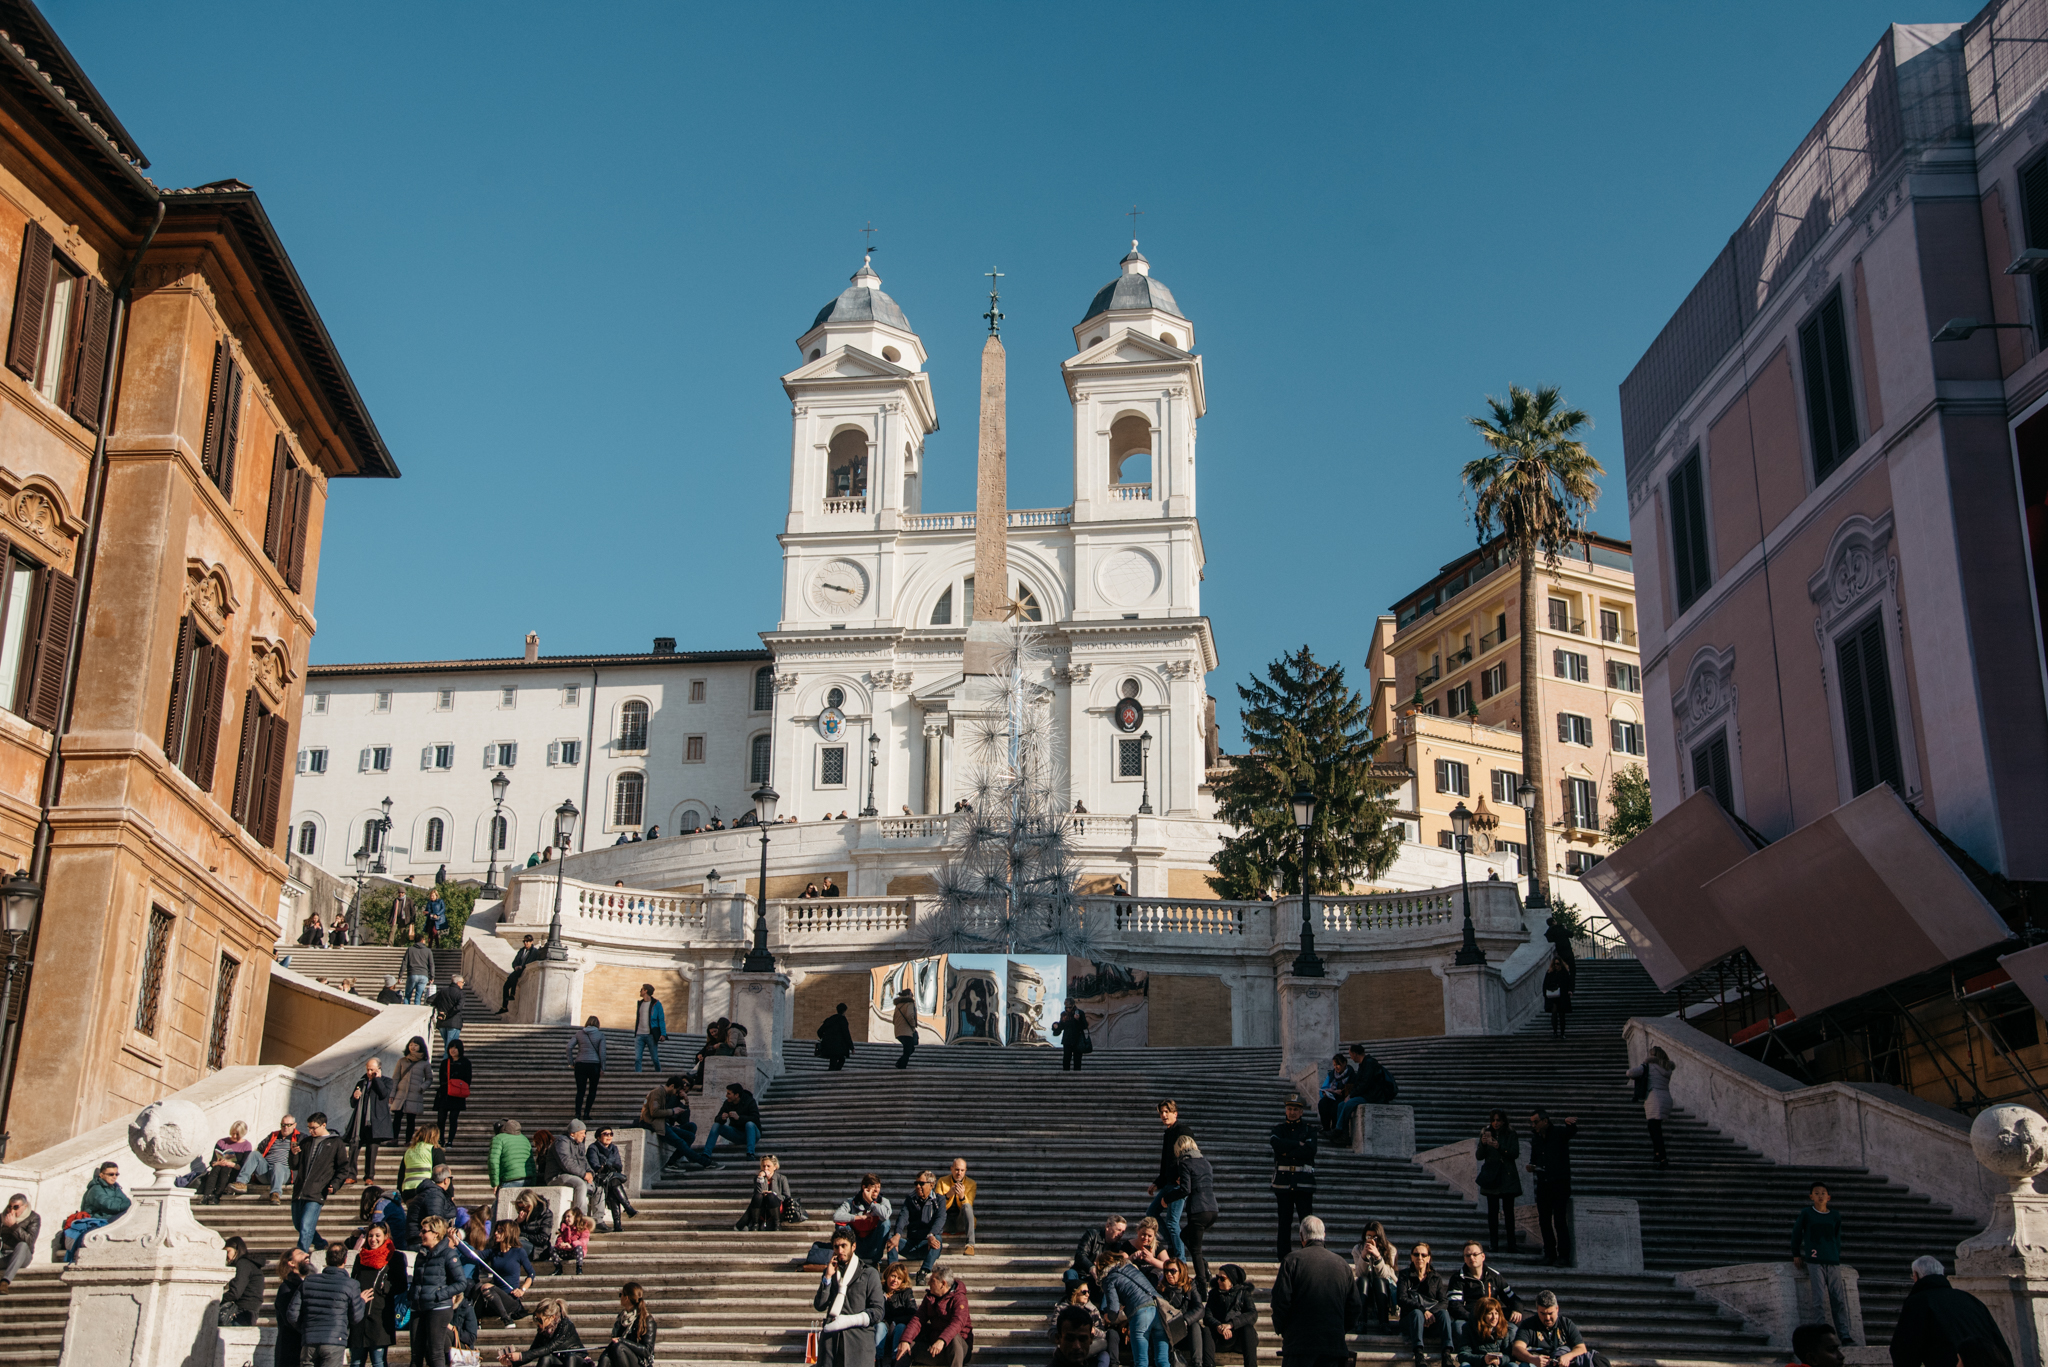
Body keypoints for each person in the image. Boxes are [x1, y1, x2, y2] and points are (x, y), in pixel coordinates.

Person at [1271, 1216, 1363, 1367]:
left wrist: (1284, 1329)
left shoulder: (1292, 1260)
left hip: (1299, 1346)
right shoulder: (1342, 1264)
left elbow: (1280, 1301)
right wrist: (1339, 1329)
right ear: (1324, 1235)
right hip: (1333, 1346)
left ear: (1301, 1236)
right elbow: (1354, 1306)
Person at [1891, 1255, 2015, 1367]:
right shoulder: (1969, 1299)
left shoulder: (1918, 1302)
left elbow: (1905, 1349)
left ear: (1916, 1275)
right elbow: (1997, 1340)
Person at [1791, 1182, 1855, 1345]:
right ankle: (1820, 1334)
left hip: (1832, 1260)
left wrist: (1835, 1255)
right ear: (1811, 1196)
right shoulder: (1806, 1213)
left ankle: (1844, 1334)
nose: (1820, 1195)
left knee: (1838, 1299)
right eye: (1817, 1193)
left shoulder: (1835, 1216)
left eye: (1823, 1193)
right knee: (1818, 1298)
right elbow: (1797, 1232)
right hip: (1814, 1260)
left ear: (1829, 1197)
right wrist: (1796, 1253)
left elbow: (1837, 1237)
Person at [286, 1243, 368, 1366]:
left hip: (309, 1341)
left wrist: (306, 1329)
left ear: (326, 1259)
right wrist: (361, 1301)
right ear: (345, 1259)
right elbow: (356, 1318)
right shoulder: (351, 1284)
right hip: (334, 1341)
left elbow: (292, 1314)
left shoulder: (309, 1281)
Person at [814, 1229, 886, 1367]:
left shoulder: (869, 1273)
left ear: (853, 1246)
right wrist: (827, 1278)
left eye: (843, 1246)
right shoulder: (830, 1272)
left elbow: (878, 1311)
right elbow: (820, 1305)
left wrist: (849, 1320)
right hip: (831, 1344)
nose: (840, 1250)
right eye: (836, 1246)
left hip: (858, 1343)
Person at [349, 1220, 410, 1367]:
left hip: (380, 1317)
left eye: (377, 1235)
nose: (373, 1239)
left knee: (379, 1362)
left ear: (386, 1236)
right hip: (359, 1316)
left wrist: (385, 1287)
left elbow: (401, 1284)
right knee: (356, 1362)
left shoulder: (395, 1257)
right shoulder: (361, 1257)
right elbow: (353, 1280)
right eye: (370, 1235)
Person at [1269, 1095, 1318, 1261]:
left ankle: (1310, 1254)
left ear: (1301, 1111)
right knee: (1284, 1222)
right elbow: (1276, 1145)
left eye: (1295, 1109)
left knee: (1308, 1222)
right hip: (1283, 1183)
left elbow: (1310, 1150)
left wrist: (1287, 1148)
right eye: (1289, 1109)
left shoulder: (1309, 1129)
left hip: (1304, 1182)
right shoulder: (1278, 1129)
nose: (1292, 1112)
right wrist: (1298, 1144)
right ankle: (1283, 1257)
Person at [1524, 1112, 1577, 1267]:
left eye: (1535, 1122)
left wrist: (1570, 1124)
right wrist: (1532, 1166)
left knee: (1559, 1220)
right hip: (1543, 1183)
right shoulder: (1536, 1138)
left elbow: (1571, 1132)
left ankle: (1563, 1256)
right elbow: (1534, 1157)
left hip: (1560, 1183)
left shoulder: (1558, 1132)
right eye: (1532, 1122)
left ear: (1545, 1121)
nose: (1533, 1125)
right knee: (1544, 1220)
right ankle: (1550, 1254)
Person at [1101, 1248, 1169, 1367]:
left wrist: (1109, 1318)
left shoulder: (1108, 1278)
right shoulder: (1131, 1268)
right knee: (1163, 1360)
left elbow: (1114, 1308)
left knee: (1141, 1361)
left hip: (1141, 1313)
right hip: (1159, 1308)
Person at [409, 1215, 462, 1366]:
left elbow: (461, 1283)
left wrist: (439, 1294)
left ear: (436, 1234)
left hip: (439, 1307)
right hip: (419, 1306)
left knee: (435, 1352)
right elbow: (417, 1280)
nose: (420, 1234)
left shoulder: (448, 1254)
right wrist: (413, 1295)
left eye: (424, 1231)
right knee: (416, 1353)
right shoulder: (422, 1254)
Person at [895, 1263, 971, 1366]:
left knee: (954, 1339)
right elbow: (918, 1319)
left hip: (958, 1350)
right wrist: (905, 1340)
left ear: (943, 1284)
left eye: (932, 1280)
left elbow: (957, 1322)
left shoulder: (959, 1298)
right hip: (935, 1349)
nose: (928, 1283)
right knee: (906, 1348)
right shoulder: (929, 1298)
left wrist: (942, 1340)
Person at [1447, 1242, 1521, 1346]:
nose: (1471, 1258)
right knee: (1458, 1327)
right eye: (1467, 1255)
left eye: (1475, 1254)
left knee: (1513, 1329)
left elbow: (1512, 1297)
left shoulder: (1494, 1276)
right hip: (1470, 1318)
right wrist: (1476, 1318)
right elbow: (1454, 1306)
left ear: (1483, 1256)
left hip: (1492, 1317)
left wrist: (1517, 1309)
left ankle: (1505, 1357)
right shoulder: (1458, 1278)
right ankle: (1471, 1354)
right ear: (1464, 1258)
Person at [294, 1113, 348, 1252]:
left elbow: (343, 1168)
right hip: (300, 1190)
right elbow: (294, 1166)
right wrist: (293, 1154)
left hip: (317, 1191)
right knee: (299, 1225)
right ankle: (320, 1243)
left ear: (324, 1125)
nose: (311, 1131)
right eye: (309, 1128)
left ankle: (301, 1256)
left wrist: (335, 1184)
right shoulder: (306, 1142)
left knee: (306, 1227)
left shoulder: (335, 1143)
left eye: (314, 1128)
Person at [1148, 1100, 1194, 1261]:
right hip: (1168, 1183)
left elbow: (1190, 1152)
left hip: (1179, 1184)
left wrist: (1186, 1172)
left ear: (1175, 1113)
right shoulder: (1168, 1133)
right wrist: (1158, 1182)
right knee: (1152, 1213)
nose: (1164, 1115)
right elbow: (1166, 1162)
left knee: (1172, 1222)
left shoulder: (1183, 1130)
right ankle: (1174, 1246)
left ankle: (1180, 1258)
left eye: (1167, 1111)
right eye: (1161, 1112)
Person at [1171, 1136, 1218, 1289]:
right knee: (1185, 1235)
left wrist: (1167, 1199)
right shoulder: (1206, 1163)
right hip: (1212, 1209)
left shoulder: (1184, 1163)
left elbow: (1186, 1189)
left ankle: (1202, 1284)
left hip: (1198, 1210)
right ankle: (1203, 1267)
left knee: (1196, 1250)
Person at [640, 1075, 713, 1171]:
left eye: (687, 1085)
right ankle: (705, 1162)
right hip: (657, 1125)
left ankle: (673, 1161)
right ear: (673, 1086)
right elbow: (655, 1112)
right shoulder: (660, 1093)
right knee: (681, 1142)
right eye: (682, 1085)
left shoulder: (668, 1095)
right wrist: (673, 1110)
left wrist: (686, 1102)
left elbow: (685, 1121)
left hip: (665, 1125)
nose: (683, 1087)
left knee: (690, 1135)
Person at [1398, 1242, 1455, 1367]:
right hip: (1411, 1321)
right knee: (1417, 1313)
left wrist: (1431, 1314)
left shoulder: (1436, 1277)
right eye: (1416, 1254)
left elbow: (1444, 1301)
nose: (1420, 1258)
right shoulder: (1404, 1275)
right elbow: (1401, 1299)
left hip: (1432, 1322)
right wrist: (1423, 1311)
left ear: (1429, 1258)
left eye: (1423, 1255)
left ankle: (1446, 1353)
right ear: (1411, 1257)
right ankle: (1419, 1354)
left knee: (1444, 1314)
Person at [1508, 1290, 1597, 1367]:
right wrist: (1532, 1359)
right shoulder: (1528, 1325)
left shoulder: (1566, 1323)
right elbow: (1517, 1348)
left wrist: (1568, 1356)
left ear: (1557, 1309)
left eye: (1550, 1313)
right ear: (1537, 1310)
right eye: (1542, 1313)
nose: (1547, 1318)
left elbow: (1581, 1348)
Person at [1476, 1112, 1522, 1254]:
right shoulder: (1486, 1133)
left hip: (1507, 1176)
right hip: (1492, 1176)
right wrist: (1483, 1144)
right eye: (1493, 1120)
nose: (1496, 1123)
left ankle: (1511, 1244)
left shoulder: (1510, 1134)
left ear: (1504, 1121)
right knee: (1492, 1213)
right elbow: (1479, 1156)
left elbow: (1514, 1153)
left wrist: (1499, 1147)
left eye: (1499, 1120)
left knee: (1509, 1213)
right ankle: (1493, 1243)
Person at [347, 1056, 396, 1184]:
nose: (369, 1073)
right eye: (368, 1069)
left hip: (375, 1122)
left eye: (372, 1070)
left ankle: (369, 1176)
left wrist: (377, 1079)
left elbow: (383, 1095)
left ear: (379, 1069)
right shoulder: (361, 1082)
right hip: (360, 1121)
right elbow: (352, 1104)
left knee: (372, 1150)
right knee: (354, 1148)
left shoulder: (387, 1081)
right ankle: (351, 1175)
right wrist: (355, 1097)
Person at [498, 1294, 585, 1365]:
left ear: (552, 1317)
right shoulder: (543, 1330)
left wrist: (521, 1355)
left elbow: (550, 1348)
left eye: (540, 1320)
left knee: (570, 1356)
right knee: (545, 1358)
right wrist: (512, 1362)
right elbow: (533, 1351)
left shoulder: (565, 1324)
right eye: (536, 1319)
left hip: (576, 1360)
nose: (538, 1323)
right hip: (559, 1361)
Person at [1627, 1047, 1676, 1168]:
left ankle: (1662, 1157)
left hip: (1654, 1098)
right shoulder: (1666, 1068)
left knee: (1655, 1129)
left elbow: (1630, 1073)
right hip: (1665, 1098)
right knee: (1654, 1127)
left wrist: (1643, 1065)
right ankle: (1657, 1154)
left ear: (1652, 1056)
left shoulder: (1648, 1066)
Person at [479, 1221, 536, 1324]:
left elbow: (531, 1274)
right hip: (496, 1299)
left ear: (508, 1233)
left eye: (500, 1231)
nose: (496, 1233)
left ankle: (506, 1318)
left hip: (510, 1299)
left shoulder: (518, 1252)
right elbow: (474, 1254)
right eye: (496, 1230)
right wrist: (458, 1243)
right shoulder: (493, 1252)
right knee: (476, 1288)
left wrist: (522, 1290)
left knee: (486, 1286)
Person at [890, 1171, 945, 1274]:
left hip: (928, 1245)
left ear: (931, 1185)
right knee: (891, 1239)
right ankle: (893, 1272)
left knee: (937, 1239)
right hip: (911, 1245)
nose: (918, 1186)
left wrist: (931, 1234)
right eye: (916, 1183)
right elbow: (903, 1217)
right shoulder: (910, 1199)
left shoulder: (939, 1200)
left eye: (921, 1183)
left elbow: (940, 1218)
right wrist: (897, 1234)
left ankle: (923, 1271)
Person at [1204, 1264, 1258, 1367]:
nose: (1218, 1281)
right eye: (1217, 1277)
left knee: (1248, 1329)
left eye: (1222, 1278)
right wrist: (1219, 1326)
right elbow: (1207, 1316)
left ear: (1231, 1281)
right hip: (1220, 1338)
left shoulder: (1244, 1293)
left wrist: (1231, 1324)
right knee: (1207, 1330)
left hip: (1239, 1339)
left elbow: (1252, 1314)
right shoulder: (1214, 1294)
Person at [237, 1113, 299, 1204]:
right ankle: (241, 1182)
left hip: (284, 1173)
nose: (285, 1127)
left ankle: (275, 1193)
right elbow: (260, 1148)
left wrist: (296, 1154)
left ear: (294, 1125)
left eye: (289, 1125)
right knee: (254, 1154)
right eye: (283, 1125)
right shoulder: (273, 1136)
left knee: (277, 1165)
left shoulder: (300, 1137)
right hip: (266, 1171)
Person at [835, 1174, 896, 1265]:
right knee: (840, 1225)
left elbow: (885, 1217)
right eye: (873, 1187)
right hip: (856, 1244)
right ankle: (847, 1259)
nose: (876, 1190)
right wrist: (858, 1217)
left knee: (886, 1224)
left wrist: (871, 1203)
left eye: (878, 1187)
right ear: (864, 1188)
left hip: (873, 1245)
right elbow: (836, 1217)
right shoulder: (851, 1202)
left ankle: (877, 1262)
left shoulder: (883, 1201)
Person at [588, 1125, 640, 1228]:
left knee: (613, 1186)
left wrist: (607, 1165)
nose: (609, 1136)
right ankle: (626, 1209)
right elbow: (595, 1166)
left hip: (611, 1177)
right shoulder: (593, 1148)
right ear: (598, 1137)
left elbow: (619, 1166)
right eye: (605, 1134)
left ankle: (618, 1223)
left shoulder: (614, 1148)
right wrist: (607, 1166)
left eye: (611, 1134)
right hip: (600, 1178)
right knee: (614, 1183)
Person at [1354, 1222, 1400, 1334]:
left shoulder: (1390, 1249)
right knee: (1363, 1280)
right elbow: (1359, 1273)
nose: (1371, 1240)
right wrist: (1364, 1256)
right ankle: (1361, 1322)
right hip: (1365, 1289)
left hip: (1384, 1288)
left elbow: (1385, 1275)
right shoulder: (1358, 1249)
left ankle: (1384, 1323)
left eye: (1375, 1237)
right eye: (1368, 1236)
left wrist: (1378, 1257)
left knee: (1379, 1281)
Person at [599, 1281, 659, 1367]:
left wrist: (622, 1341)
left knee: (619, 1347)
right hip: (621, 1358)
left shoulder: (647, 1320)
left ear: (626, 1298)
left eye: (621, 1294)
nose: (620, 1297)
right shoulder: (621, 1318)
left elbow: (647, 1350)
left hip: (640, 1362)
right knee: (606, 1357)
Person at [1067, 1214, 1129, 1294]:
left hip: (1097, 1280)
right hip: (1080, 1273)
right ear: (1107, 1226)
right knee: (1069, 1274)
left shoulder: (1118, 1247)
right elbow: (1080, 1255)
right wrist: (1091, 1268)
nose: (1120, 1234)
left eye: (1123, 1232)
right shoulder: (1092, 1235)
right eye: (1118, 1230)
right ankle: (1071, 1302)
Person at [548, 1119, 597, 1221]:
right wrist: (584, 1174)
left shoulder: (579, 1143)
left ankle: (598, 1220)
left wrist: (590, 1173)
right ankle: (580, 1218)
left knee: (599, 1187)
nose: (584, 1136)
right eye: (582, 1133)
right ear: (572, 1133)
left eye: (585, 1133)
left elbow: (584, 1160)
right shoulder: (561, 1142)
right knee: (580, 1184)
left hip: (574, 1174)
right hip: (557, 1176)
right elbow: (567, 1163)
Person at [196, 1120, 253, 1204]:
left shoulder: (246, 1145)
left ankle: (217, 1195)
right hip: (219, 1169)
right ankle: (207, 1195)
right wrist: (218, 1163)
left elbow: (244, 1166)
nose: (234, 1136)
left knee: (225, 1168)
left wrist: (231, 1164)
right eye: (233, 1133)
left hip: (234, 1172)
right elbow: (213, 1162)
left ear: (242, 1134)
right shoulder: (222, 1142)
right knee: (217, 1167)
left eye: (237, 1134)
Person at [704, 1082, 762, 1162]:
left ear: (736, 1095)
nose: (726, 1096)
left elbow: (755, 1119)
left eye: (729, 1093)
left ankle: (750, 1154)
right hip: (736, 1134)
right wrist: (722, 1118)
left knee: (749, 1124)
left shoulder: (750, 1101)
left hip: (753, 1134)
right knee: (716, 1125)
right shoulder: (727, 1103)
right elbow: (717, 1118)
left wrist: (739, 1118)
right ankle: (706, 1154)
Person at [391, 1037, 433, 1147]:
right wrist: (392, 1094)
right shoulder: (402, 1061)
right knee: (397, 1118)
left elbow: (429, 1078)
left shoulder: (424, 1063)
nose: (412, 1047)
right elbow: (395, 1078)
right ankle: (394, 1139)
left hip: (415, 1093)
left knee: (411, 1119)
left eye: (415, 1045)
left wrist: (422, 1087)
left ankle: (407, 1141)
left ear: (420, 1047)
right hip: (401, 1093)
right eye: (411, 1045)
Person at [274, 1247, 311, 1367]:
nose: (306, 1255)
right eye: (300, 1253)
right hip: (291, 1351)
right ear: (291, 1263)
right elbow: (290, 1320)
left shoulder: (305, 1284)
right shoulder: (287, 1288)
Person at [737, 1153, 790, 1232]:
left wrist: (773, 1194)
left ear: (775, 1167)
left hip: (776, 1205)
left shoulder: (782, 1178)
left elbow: (787, 1196)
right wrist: (761, 1178)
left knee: (770, 1196)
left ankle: (777, 1224)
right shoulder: (758, 1178)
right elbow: (757, 1194)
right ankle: (755, 1224)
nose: (765, 1168)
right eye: (763, 1166)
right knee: (758, 1196)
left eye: (768, 1166)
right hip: (762, 1206)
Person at [218, 1234, 263, 1326]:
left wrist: (217, 1298)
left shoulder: (243, 1264)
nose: (226, 1256)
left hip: (242, 1311)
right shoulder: (249, 1264)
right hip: (249, 1309)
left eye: (228, 1251)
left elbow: (235, 1292)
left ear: (237, 1250)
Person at [881, 1262, 921, 1364]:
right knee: (879, 1326)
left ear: (903, 1281)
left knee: (901, 1327)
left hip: (897, 1329)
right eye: (893, 1276)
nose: (895, 1280)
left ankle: (896, 1361)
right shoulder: (878, 1290)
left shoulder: (906, 1292)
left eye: (899, 1278)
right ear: (887, 1275)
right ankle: (877, 1360)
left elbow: (913, 1313)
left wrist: (894, 1321)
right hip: (883, 1327)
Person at [936, 1158, 977, 1257]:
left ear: (965, 1171)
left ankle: (970, 1245)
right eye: (957, 1169)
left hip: (960, 1221)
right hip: (944, 1221)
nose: (959, 1173)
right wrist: (948, 1195)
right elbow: (936, 1205)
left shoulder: (971, 1184)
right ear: (951, 1169)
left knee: (966, 1206)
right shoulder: (942, 1181)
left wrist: (962, 1197)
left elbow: (969, 1205)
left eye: (962, 1170)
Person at [569, 1016, 607, 1120]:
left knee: (580, 1091)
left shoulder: (579, 1033)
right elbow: (602, 1053)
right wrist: (602, 1067)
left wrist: (571, 1062)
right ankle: (586, 1113)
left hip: (580, 1064)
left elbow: (569, 1047)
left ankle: (577, 1114)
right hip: (594, 1065)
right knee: (592, 1090)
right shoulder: (600, 1035)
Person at [1460, 1297, 1514, 1367]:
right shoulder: (1469, 1328)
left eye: (1496, 1313)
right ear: (1482, 1315)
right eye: (1490, 1313)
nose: (1494, 1317)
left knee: (1513, 1365)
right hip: (1478, 1364)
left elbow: (1508, 1354)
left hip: (1498, 1365)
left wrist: (1500, 1361)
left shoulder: (1503, 1328)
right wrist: (1483, 1359)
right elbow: (1463, 1355)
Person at [437, 1040, 472, 1145]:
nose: (453, 1050)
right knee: (441, 1118)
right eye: (451, 1047)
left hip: (458, 1095)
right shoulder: (445, 1062)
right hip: (445, 1094)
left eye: (455, 1048)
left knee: (453, 1118)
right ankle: (440, 1139)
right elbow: (441, 1078)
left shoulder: (466, 1062)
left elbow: (468, 1079)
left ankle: (450, 1140)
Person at [488, 1118, 537, 1193]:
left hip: (509, 1180)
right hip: (528, 1179)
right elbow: (531, 1162)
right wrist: (533, 1181)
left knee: (500, 1204)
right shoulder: (524, 1139)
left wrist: (495, 1183)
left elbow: (493, 1161)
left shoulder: (498, 1138)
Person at [398, 1123, 445, 1198]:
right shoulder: (434, 1150)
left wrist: (400, 1192)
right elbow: (442, 1173)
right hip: (426, 1189)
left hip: (408, 1189)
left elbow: (401, 1173)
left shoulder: (409, 1151)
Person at [500, 935, 539, 1015]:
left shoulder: (534, 951)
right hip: (518, 970)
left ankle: (512, 993)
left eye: (527, 941)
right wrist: (516, 966)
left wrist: (522, 966)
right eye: (524, 941)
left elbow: (531, 962)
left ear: (531, 942)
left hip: (524, 970)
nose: (525, 943)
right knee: (506, 986)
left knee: (513, 976)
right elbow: (515, 962)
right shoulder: (522, 951)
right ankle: (504, 1006)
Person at [632, 985, 668, 1072]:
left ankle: (659, 1074)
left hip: (651, 1035)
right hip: (639, 1034)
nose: (640, 991)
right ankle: (638, 1076)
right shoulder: (640, 1003)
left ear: (646, 991)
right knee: (637, 1058)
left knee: (654, 1058)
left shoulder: (656, 1004)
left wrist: (663, 1034)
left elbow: (661, 1019)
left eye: (641, 990)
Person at [552, 1209, 594, 1276]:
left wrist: (571, 1245)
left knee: (579, 1247)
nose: (566, 1219)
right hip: (566, 1252)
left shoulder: (582, 1228)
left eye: (569, 1216)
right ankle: (558, 1268)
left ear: (575, 1217)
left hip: (576, 1252)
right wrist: (560, 1244)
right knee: (552, 1248)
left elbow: (584, 1240)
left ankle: (579, 1268)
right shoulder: (564, 1228)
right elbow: (559, 1239)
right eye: (565, 1217)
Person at [430, 975, 466, 1052]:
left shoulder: (442, 991)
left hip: (442, 1023)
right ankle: (448, 1063)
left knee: (447, 1046)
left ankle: (446, 1062)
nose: (463, 984)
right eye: (463, 982)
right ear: (458, 983)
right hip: (454, 1022)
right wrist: (448, 1014)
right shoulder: (460, 993)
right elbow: (459, 1007)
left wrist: (440, 1009)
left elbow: (430, 1000)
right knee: (451, 1047)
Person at [1053, 1002, 1091, 1071]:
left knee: (1077, 1059)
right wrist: (1056, 1026)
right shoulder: (1064, 1014)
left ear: (1073, 1006)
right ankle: (1065, 1075)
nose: (1068, 1009)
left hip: (1078, 1039)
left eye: (1070, 1007)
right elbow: (1061, 1026)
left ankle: (1077, 1075)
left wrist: (1078, 1020)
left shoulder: (1080, 1013)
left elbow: (1084, 1025)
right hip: (1067, 1039)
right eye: (1067, 1007)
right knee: (1066, 1058)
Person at [817, 1002, 855, 1072]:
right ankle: (833, 1076)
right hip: (838, 1047)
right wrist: (851, 1047)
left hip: (829, 1045)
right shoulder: (842, 1020)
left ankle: (833, 1074)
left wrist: (824, 1039)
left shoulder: (830, 1019)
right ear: (844, 1011)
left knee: (835, 1061)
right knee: (839, 1060)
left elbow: (819, 1031)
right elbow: (846, 1034)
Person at [1540, 957, 1572, 1038]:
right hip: (1553, 996)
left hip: (1562, 996)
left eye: (1558, 964)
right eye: (1555, 964)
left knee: (1562, 1015)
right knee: (1554, 1012)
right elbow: (1545, 984)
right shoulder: (1550, 973)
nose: (1556, 965)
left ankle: (1562, 1033)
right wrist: (1545, 993)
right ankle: (1555, 1032)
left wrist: (1570, 990)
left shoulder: (1564, 973)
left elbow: (1569, 983)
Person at [403, 934, 434, 1006]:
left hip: (412, 974)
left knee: (407, 996)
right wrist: (432, 976)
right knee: (418, 997)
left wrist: (400, 976)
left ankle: (405, 1012)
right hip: (424, 975)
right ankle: (416, 1013)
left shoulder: (410, 949)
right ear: (422, 940)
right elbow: (431, 964)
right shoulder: (428, 951)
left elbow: (404, 963)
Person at [893, 990, 919, 1070]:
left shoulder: (898, 1005)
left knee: (909, 1048)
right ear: (908, 995)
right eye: (911, 994)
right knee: (908, 1050)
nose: (912, 996)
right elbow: (910, 1015)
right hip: (907, 1031)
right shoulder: (909, 1004)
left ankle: (900, 1064)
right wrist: (913, 1025)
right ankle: (901, 1066)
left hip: (898, 1031)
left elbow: (894, 1019)